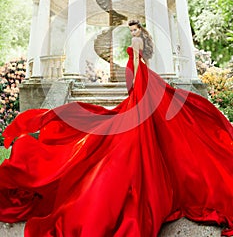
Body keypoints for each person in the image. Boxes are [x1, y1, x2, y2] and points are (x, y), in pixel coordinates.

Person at [0, 19, 233, 237]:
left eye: (135, 29)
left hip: (141, 82)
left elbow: (137, 66)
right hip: (141, 81)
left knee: (131, 129)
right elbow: (140, 65)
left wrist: (136, 89)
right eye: (131, 30)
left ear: (139, 31)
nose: (132, 33)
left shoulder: (136, 42)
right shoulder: (143, 44)